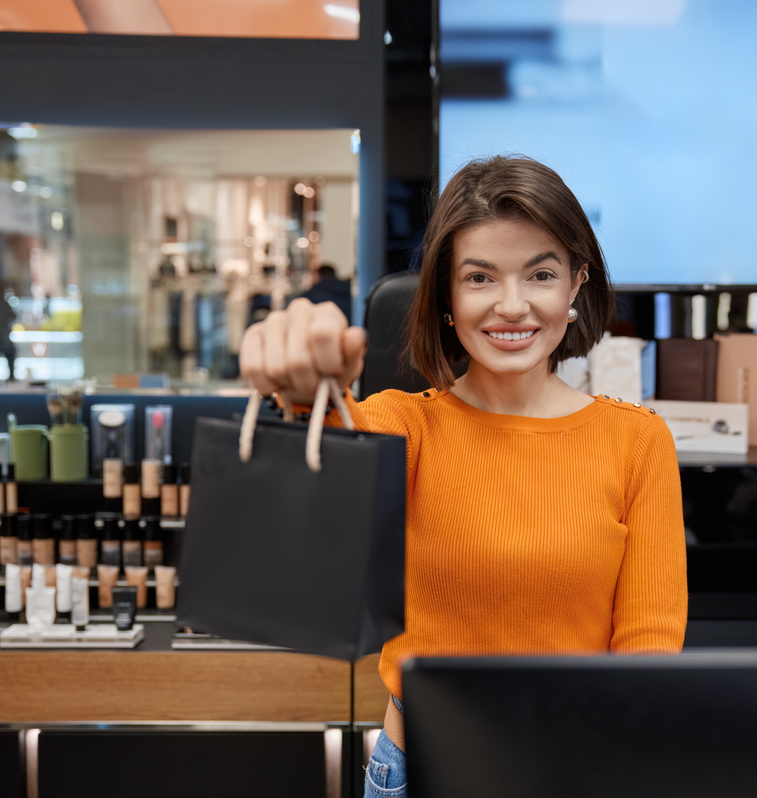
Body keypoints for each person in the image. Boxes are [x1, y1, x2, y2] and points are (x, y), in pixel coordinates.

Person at [240, 156, 686, 798]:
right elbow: (306, 480)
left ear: (576, 284)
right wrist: (302, 386)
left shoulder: (637, 441)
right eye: (480, 277)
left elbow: (648, 649)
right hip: (423, 770)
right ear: (446, 297)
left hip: (576, 773)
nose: (512, 305)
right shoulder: (402, 426)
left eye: (540, 273)